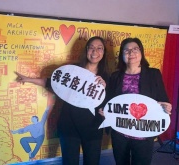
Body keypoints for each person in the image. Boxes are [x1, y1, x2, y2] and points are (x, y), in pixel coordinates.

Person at [15, 36, 109, 165]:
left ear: (103, 53)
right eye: (91, 47)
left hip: (93, 128)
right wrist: (28, 79)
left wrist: (104, 89)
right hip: (69, 125)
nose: (95, 51)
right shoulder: (72, 69)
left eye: (99, 48)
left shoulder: (107, 77)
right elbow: (51, 82)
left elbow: (107, 106)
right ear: (86, 50)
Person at [107, 37, 172, 165]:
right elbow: (109, 101)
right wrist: (104, 111)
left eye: (135, 49)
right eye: (127, 50)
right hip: (120, 131)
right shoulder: (115, 76)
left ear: (141, 52)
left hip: (144, 132)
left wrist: (166, 106)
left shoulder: (154, 74)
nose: (131, 53)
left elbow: (163, 98)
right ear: (122, 55)